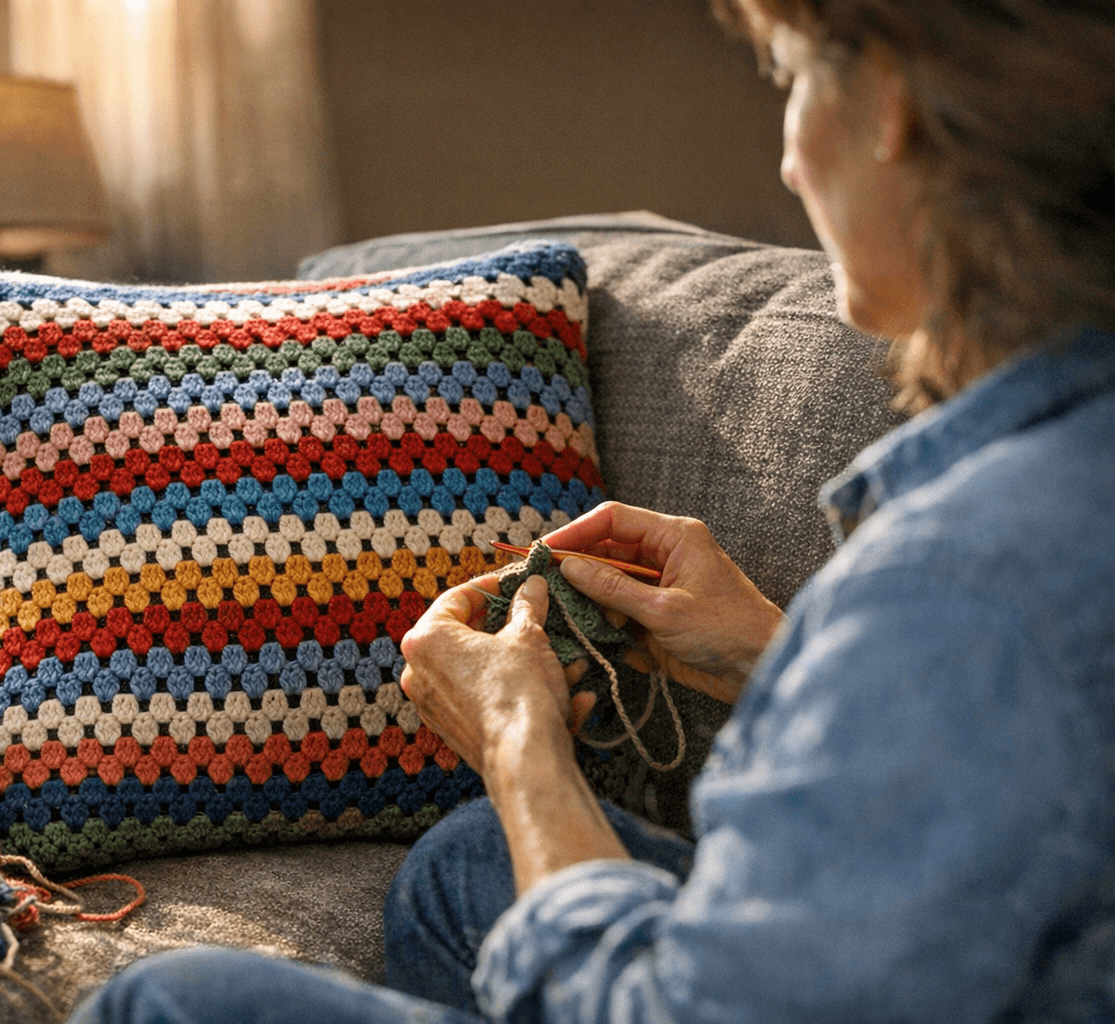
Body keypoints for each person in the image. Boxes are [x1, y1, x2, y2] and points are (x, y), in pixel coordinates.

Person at [74, 1, 1115, 1020]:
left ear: (891, 100)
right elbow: (1010, 752)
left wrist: (522, 745)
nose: (792, 163)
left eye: (792, 77)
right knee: (464, 862)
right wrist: (771, 657)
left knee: (168, 994)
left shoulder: (953, 579)